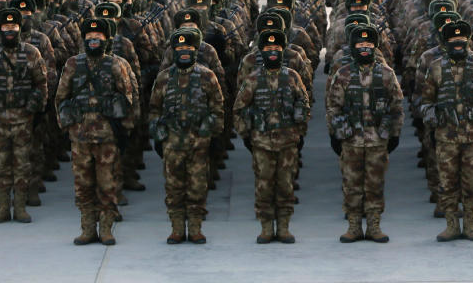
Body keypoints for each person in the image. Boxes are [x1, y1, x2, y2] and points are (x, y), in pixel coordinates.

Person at [56, 17, 136, 245]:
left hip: (107, 136)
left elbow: (128, 98)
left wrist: (124, 132)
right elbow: (61, 97)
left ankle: (107, 228)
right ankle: (88, 228)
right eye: (90, 37)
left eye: (98, 36)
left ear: (106, 39)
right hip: (80, 137)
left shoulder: (115, 64)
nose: (93, 40)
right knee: (83, 185)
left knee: (107, 184)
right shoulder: (73, 64)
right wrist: (66, 127)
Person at [326, 25, 404, 243]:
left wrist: (393, 134)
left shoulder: (387, 75)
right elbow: (333, 106)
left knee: (375, 185)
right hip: (351, 141)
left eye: (369, 45)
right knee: (351, 185)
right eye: (360, 45)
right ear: (353, 47)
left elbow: (396, 106)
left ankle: (374, 226)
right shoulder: (343, 74)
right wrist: (337, 133)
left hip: (377, 141)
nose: (364, 48)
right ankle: (353, 226)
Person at [419, 20, 473, 241]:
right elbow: (426, 101)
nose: (458, 44)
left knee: (472, 183)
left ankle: (470, 224)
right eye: (453, 40)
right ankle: (452, 225)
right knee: (448, 183)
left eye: (462, 40)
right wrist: (432, 128)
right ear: (446, 43)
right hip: (446, 137)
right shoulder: (435, 67)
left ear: (468, 41)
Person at [233, 30, 310, 244]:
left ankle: (284, 227)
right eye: (268, 49)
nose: (273, 52)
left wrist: (299, 131)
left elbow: (303, 104)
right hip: (261, 143)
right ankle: (266, 227)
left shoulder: (292, 77)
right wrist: (247, 135)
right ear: (261, 52)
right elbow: (239, 109)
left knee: (286, 185)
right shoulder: (253, 79)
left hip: (287, 142)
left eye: (276, 49)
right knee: (264, 186)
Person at [149, 27, 224, 244]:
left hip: (198, 144)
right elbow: (154, 109)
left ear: (195, 50)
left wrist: (208, 130)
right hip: (172, 144)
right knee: (173, 188)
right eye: (180, 47)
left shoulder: (207, 76)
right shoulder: (164, 78)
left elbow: (218, 109)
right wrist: (158, 131)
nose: (184, 51)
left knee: (197, 187)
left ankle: (196, 228)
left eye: (188, 47)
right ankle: (177, 229)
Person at [0, 8, 47, 224]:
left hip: (23, 118)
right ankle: (3, 207)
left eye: (13, 27)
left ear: (19, 28)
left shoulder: (32, 53)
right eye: (5, 27)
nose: (9, 31)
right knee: (1, 163)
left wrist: (36, 104)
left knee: (23, 163)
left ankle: (21, 207)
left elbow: (41, 84)